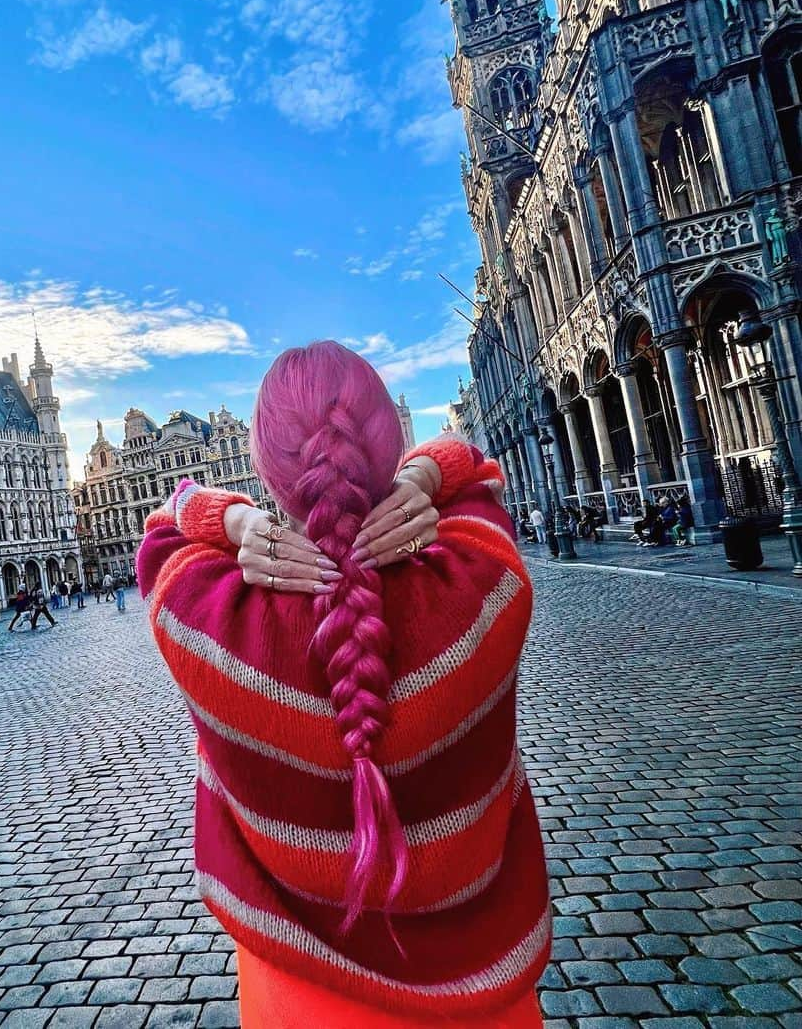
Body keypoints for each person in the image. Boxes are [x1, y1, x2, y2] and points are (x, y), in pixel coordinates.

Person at [138, 342, 549, 1029]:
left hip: (296, 1002)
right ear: (387, 446)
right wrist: (421, 484)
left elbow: (163, 527)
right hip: (486, 998)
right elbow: (473, 466)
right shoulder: (486, 577)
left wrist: (232, 520)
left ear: (266, 472)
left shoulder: (204, 619)